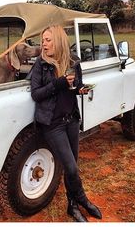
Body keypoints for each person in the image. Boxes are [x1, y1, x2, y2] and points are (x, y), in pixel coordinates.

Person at [30, 25, 102, 222]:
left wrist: (80, 89)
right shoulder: (40, 64)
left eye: (47, 40)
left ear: (59, 41)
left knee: (73, 165)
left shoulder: (73, 61)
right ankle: (82, 199)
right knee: (70, 167)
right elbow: (36, 94)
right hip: (53, 125)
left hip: (71, 120)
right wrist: (59, 83)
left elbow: (76, 85)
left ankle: (72, 205)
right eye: (42, 40)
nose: (43, 44)